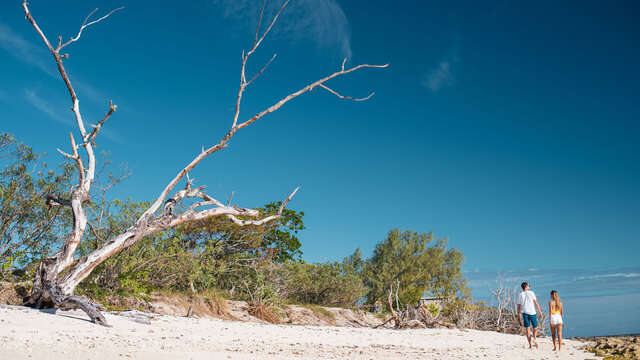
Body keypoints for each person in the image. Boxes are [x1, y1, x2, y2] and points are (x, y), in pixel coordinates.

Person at [517, 282, 544, 349]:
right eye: (529, 285)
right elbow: (536, 303)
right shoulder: (531, 293)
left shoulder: (520, 294)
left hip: (525, 313)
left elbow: (519, 306)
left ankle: (530, 345)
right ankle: (534, 339)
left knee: (527, 329)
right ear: (526, 287)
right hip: (532, 312)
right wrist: (540, 312)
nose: (529, 286)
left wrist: (518, 314)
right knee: (535, 328)